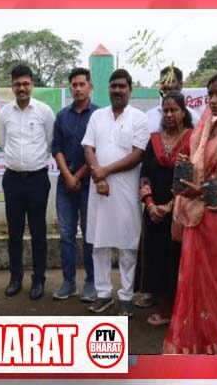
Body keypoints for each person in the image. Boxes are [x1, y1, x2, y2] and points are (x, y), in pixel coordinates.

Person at [163, 71, 217, 354]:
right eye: (210, 94)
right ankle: (195, 344)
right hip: (196, 216)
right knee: (192, 281)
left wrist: (200, 189)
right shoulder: (206, 128)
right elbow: (200, 168)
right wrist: (187, 167)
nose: (213, 100)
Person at [82, 69, 149, 317]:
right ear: (108, 89)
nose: (117, 90)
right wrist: (98, 175)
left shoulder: (139, 118)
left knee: (127, 245)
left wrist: (104, 172)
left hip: (125, 191)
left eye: (122, 86)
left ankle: (127, 296)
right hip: (99, 190)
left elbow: (137, 155)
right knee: (99, 244)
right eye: (113, 86)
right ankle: (103, 294)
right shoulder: (97, 116)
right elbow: (88, 148)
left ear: (130, 89)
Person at [136, 91, 193, 325]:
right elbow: (144, 175)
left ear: (183, 112)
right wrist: (150, 205)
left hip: (179, 211)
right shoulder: (154, 140)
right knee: (156, 257)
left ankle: (175, 311)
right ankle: (162, 306)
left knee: (175, 259)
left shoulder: (192, 140)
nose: (169, 114)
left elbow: (191, 177)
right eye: (166, 110)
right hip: (154, 213)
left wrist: (170, 206)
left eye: (174, 110)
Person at [0, 64, 55, 300]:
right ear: (12, 86)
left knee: (38, 232)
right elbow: (3, 143)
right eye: (17, 84)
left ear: (32, 84)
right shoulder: (4, 113)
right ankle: (15, 278)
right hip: (12, 179)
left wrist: (33, 162)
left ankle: (39, 279)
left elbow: (50, 142)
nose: (21, 88)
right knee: (14, 232)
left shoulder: (44, 112)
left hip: (37, 180)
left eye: (25, 84)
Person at [52, 67, 98, 302]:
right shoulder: (62, 116)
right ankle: (69, 282)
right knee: (66, 234)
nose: (78, 88)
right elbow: (56, 148)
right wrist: (68, 176)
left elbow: (97, 150)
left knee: (90, 234)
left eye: (82, 84)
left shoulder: (99, 115)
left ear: (90, 87)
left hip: (91, 183)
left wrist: (77, 176)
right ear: (70, 88)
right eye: (74, 85)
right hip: (65, 184)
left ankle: (91, 282)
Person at [146, 66, 200, 134]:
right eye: (163, 82)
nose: (167, 85)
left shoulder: (194, 117)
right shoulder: (149, 115)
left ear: (181, 85)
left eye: (171, 81)